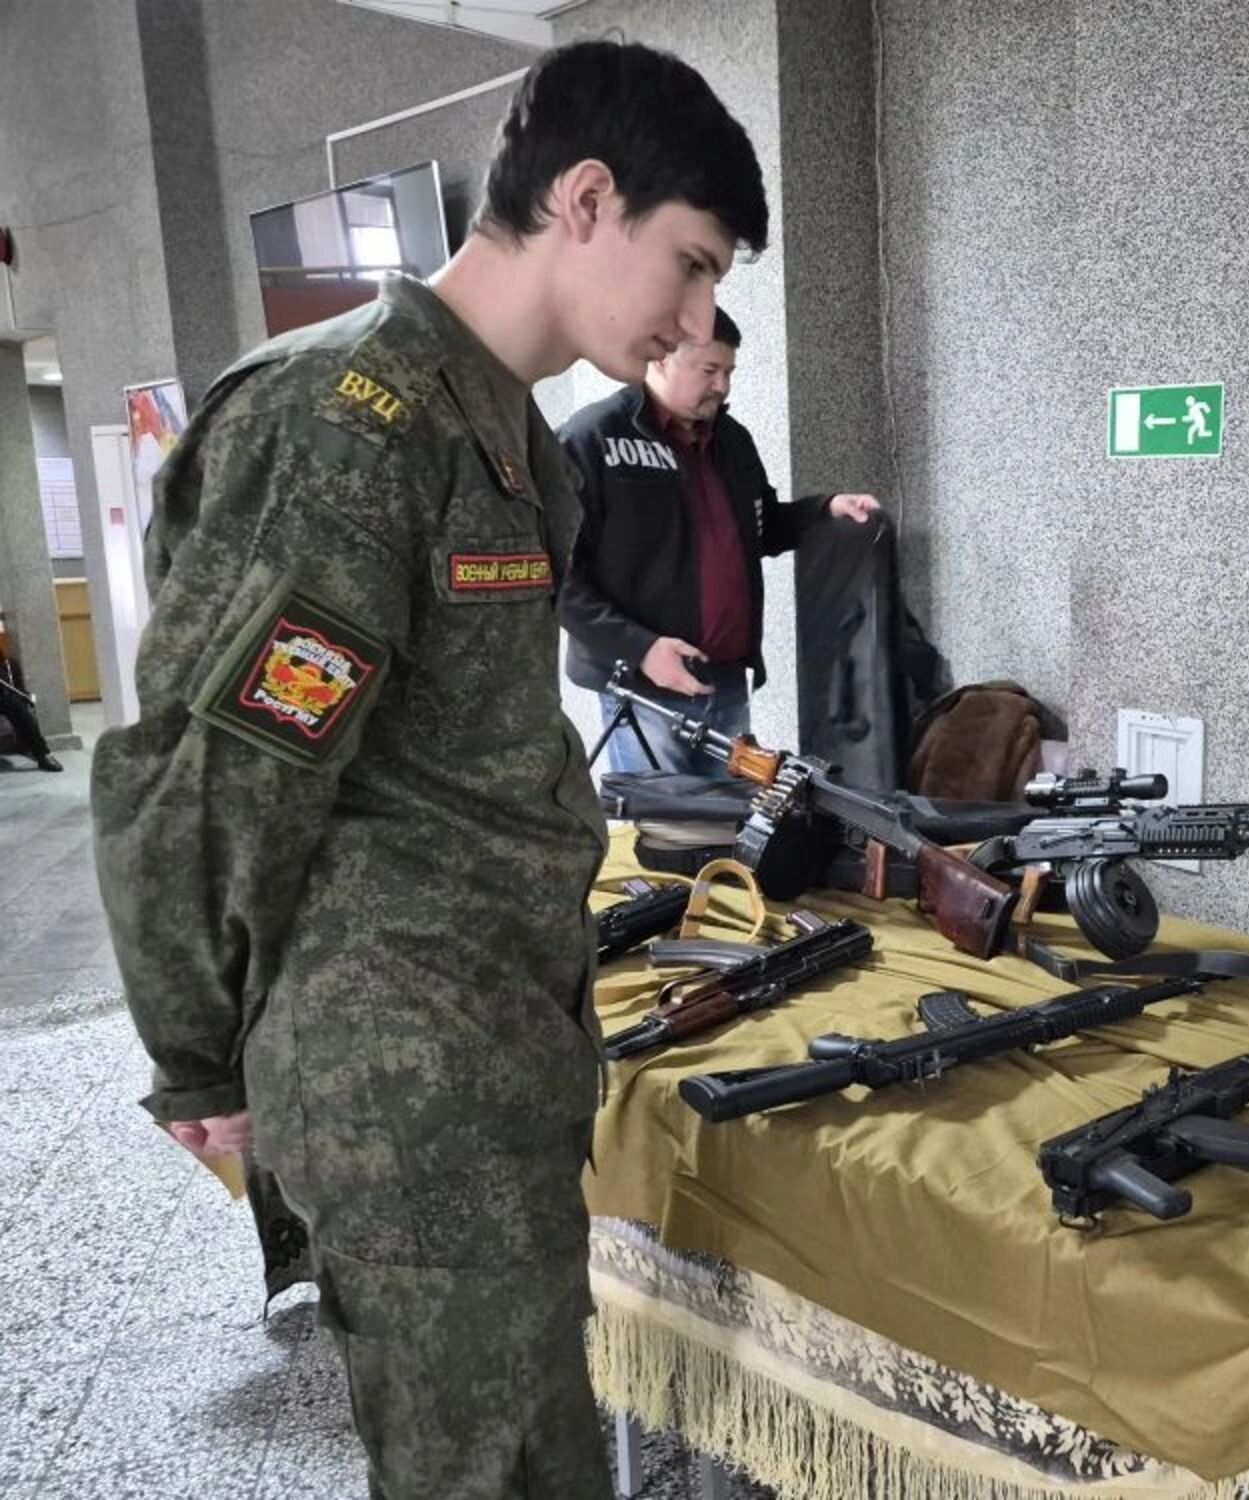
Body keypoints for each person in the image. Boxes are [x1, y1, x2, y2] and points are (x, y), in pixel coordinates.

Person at [89, 40, 768, 1500]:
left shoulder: (508, 432)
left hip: (492, 1045)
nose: (696, 317)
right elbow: (209, 777)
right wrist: (196, 1052)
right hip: (404, 1073)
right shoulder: (345, 423)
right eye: (692, 264)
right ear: (586, 199)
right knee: (495, 1468)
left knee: (529, 1442)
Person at [559, 309, 879, 776]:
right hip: (645, 693)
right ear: (661, 358)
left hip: (726, 685)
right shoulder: (592, 438)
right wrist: (642, 649)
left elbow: (763, 528)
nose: (722, 386)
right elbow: (556, 576)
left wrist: (824, 510)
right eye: (709, 370)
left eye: (729, 372)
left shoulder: (733, 441)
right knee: (662, 821)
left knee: (730, 818)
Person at [0, 613, 62, 771]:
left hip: (3, 696)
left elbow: (16, 688)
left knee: (16, 705)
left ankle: (42, 754)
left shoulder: (8, 664)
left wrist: (24, 696)